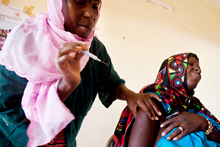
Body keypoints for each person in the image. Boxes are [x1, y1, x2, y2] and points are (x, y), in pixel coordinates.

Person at [0, 0, 162, 146]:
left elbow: (112, 84)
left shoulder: (94, 50)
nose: (90, 14)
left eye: (95, 6)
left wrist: (130, 96)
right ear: (58, 4)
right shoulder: (26, 42)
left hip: (65, 142)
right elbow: (6, 109)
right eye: (79, 2)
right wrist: (64, 87)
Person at [112, 53, 220, 147]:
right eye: (190, 64)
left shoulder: (197, 108)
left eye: (198, 67)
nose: (198, 69)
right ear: (173, 68)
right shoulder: (154, 103)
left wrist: (204, 124)